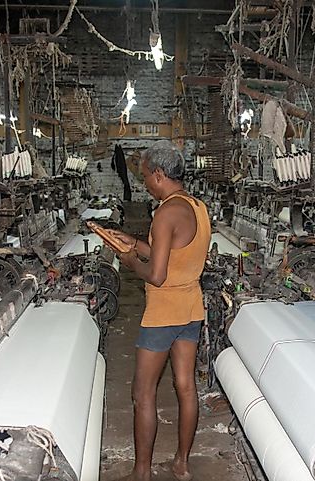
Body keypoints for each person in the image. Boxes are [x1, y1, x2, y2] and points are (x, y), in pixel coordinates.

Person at [107, 140, 211, 481]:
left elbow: (156, 273)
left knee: (142, 392)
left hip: (164, 315)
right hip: (191, 309)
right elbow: (170, 253)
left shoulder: (165, 212)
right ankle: (182, 464)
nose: (144, 184)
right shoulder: (196, 207)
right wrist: (128, 240)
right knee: (185, 387)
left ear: (159, 174)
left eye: (145, 177)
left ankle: (141, 473)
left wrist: (129, 260)